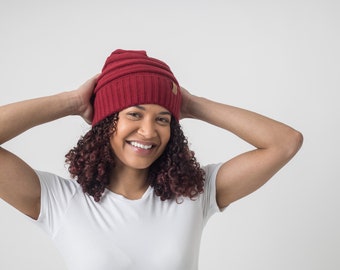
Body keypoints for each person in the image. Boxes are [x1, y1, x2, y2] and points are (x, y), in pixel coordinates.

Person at [0, 49, 303, 270]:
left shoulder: (195, 193)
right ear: (107, 122)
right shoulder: (60, 201)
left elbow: (285, 143)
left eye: (162, 118)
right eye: (134, 113)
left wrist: (192, 104)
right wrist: (72, 102)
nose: (148, 131)